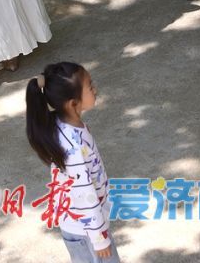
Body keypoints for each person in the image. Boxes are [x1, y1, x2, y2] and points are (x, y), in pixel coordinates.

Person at [26, 62, 120, 262]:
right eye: (89, 87)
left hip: (82, 224)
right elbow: (83, 193)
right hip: (86, 229)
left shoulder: (64, 124)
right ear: (73, 103)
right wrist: (99, 238)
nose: (95, 89)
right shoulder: (73, 148)